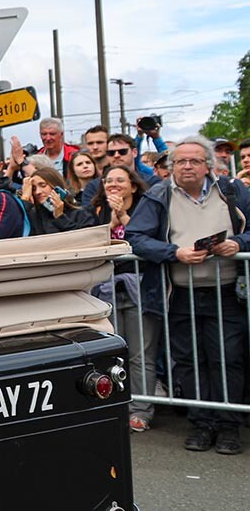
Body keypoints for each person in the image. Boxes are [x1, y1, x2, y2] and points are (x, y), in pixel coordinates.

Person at [126, 136, 250, 455]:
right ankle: (200, 423)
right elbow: (136, 238)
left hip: (227, 293)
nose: (187, 166)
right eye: (180, 161)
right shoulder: (158, 194)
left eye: (194, 160)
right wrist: (174, 252)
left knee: (227, 360)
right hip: (179, 293)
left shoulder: (233, 191)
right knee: (188, 361)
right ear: (171, 167)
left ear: (209, 165)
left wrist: (239, 244)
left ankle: (228, 427)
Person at [89, 165, 156, 432]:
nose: (113, 185)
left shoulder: (145, 207)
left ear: (133, 185)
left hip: (138, 288)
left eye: (119, 180)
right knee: (114, 353)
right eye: (108, 180)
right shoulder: (97, 209)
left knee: (141, 354)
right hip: (107, 291)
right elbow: (93, 243)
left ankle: (141, 410)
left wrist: (124, 216)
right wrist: (111, 222)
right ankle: (116, 405)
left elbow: (143, 242)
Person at [18, 167, 94, 235]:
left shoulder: (81, 212)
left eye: (43, 185)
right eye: (34, 189)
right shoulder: (34, 216)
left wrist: (60, 217)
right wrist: (25, 199)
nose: (38, 192)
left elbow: (85, 238)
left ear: (56, 186)